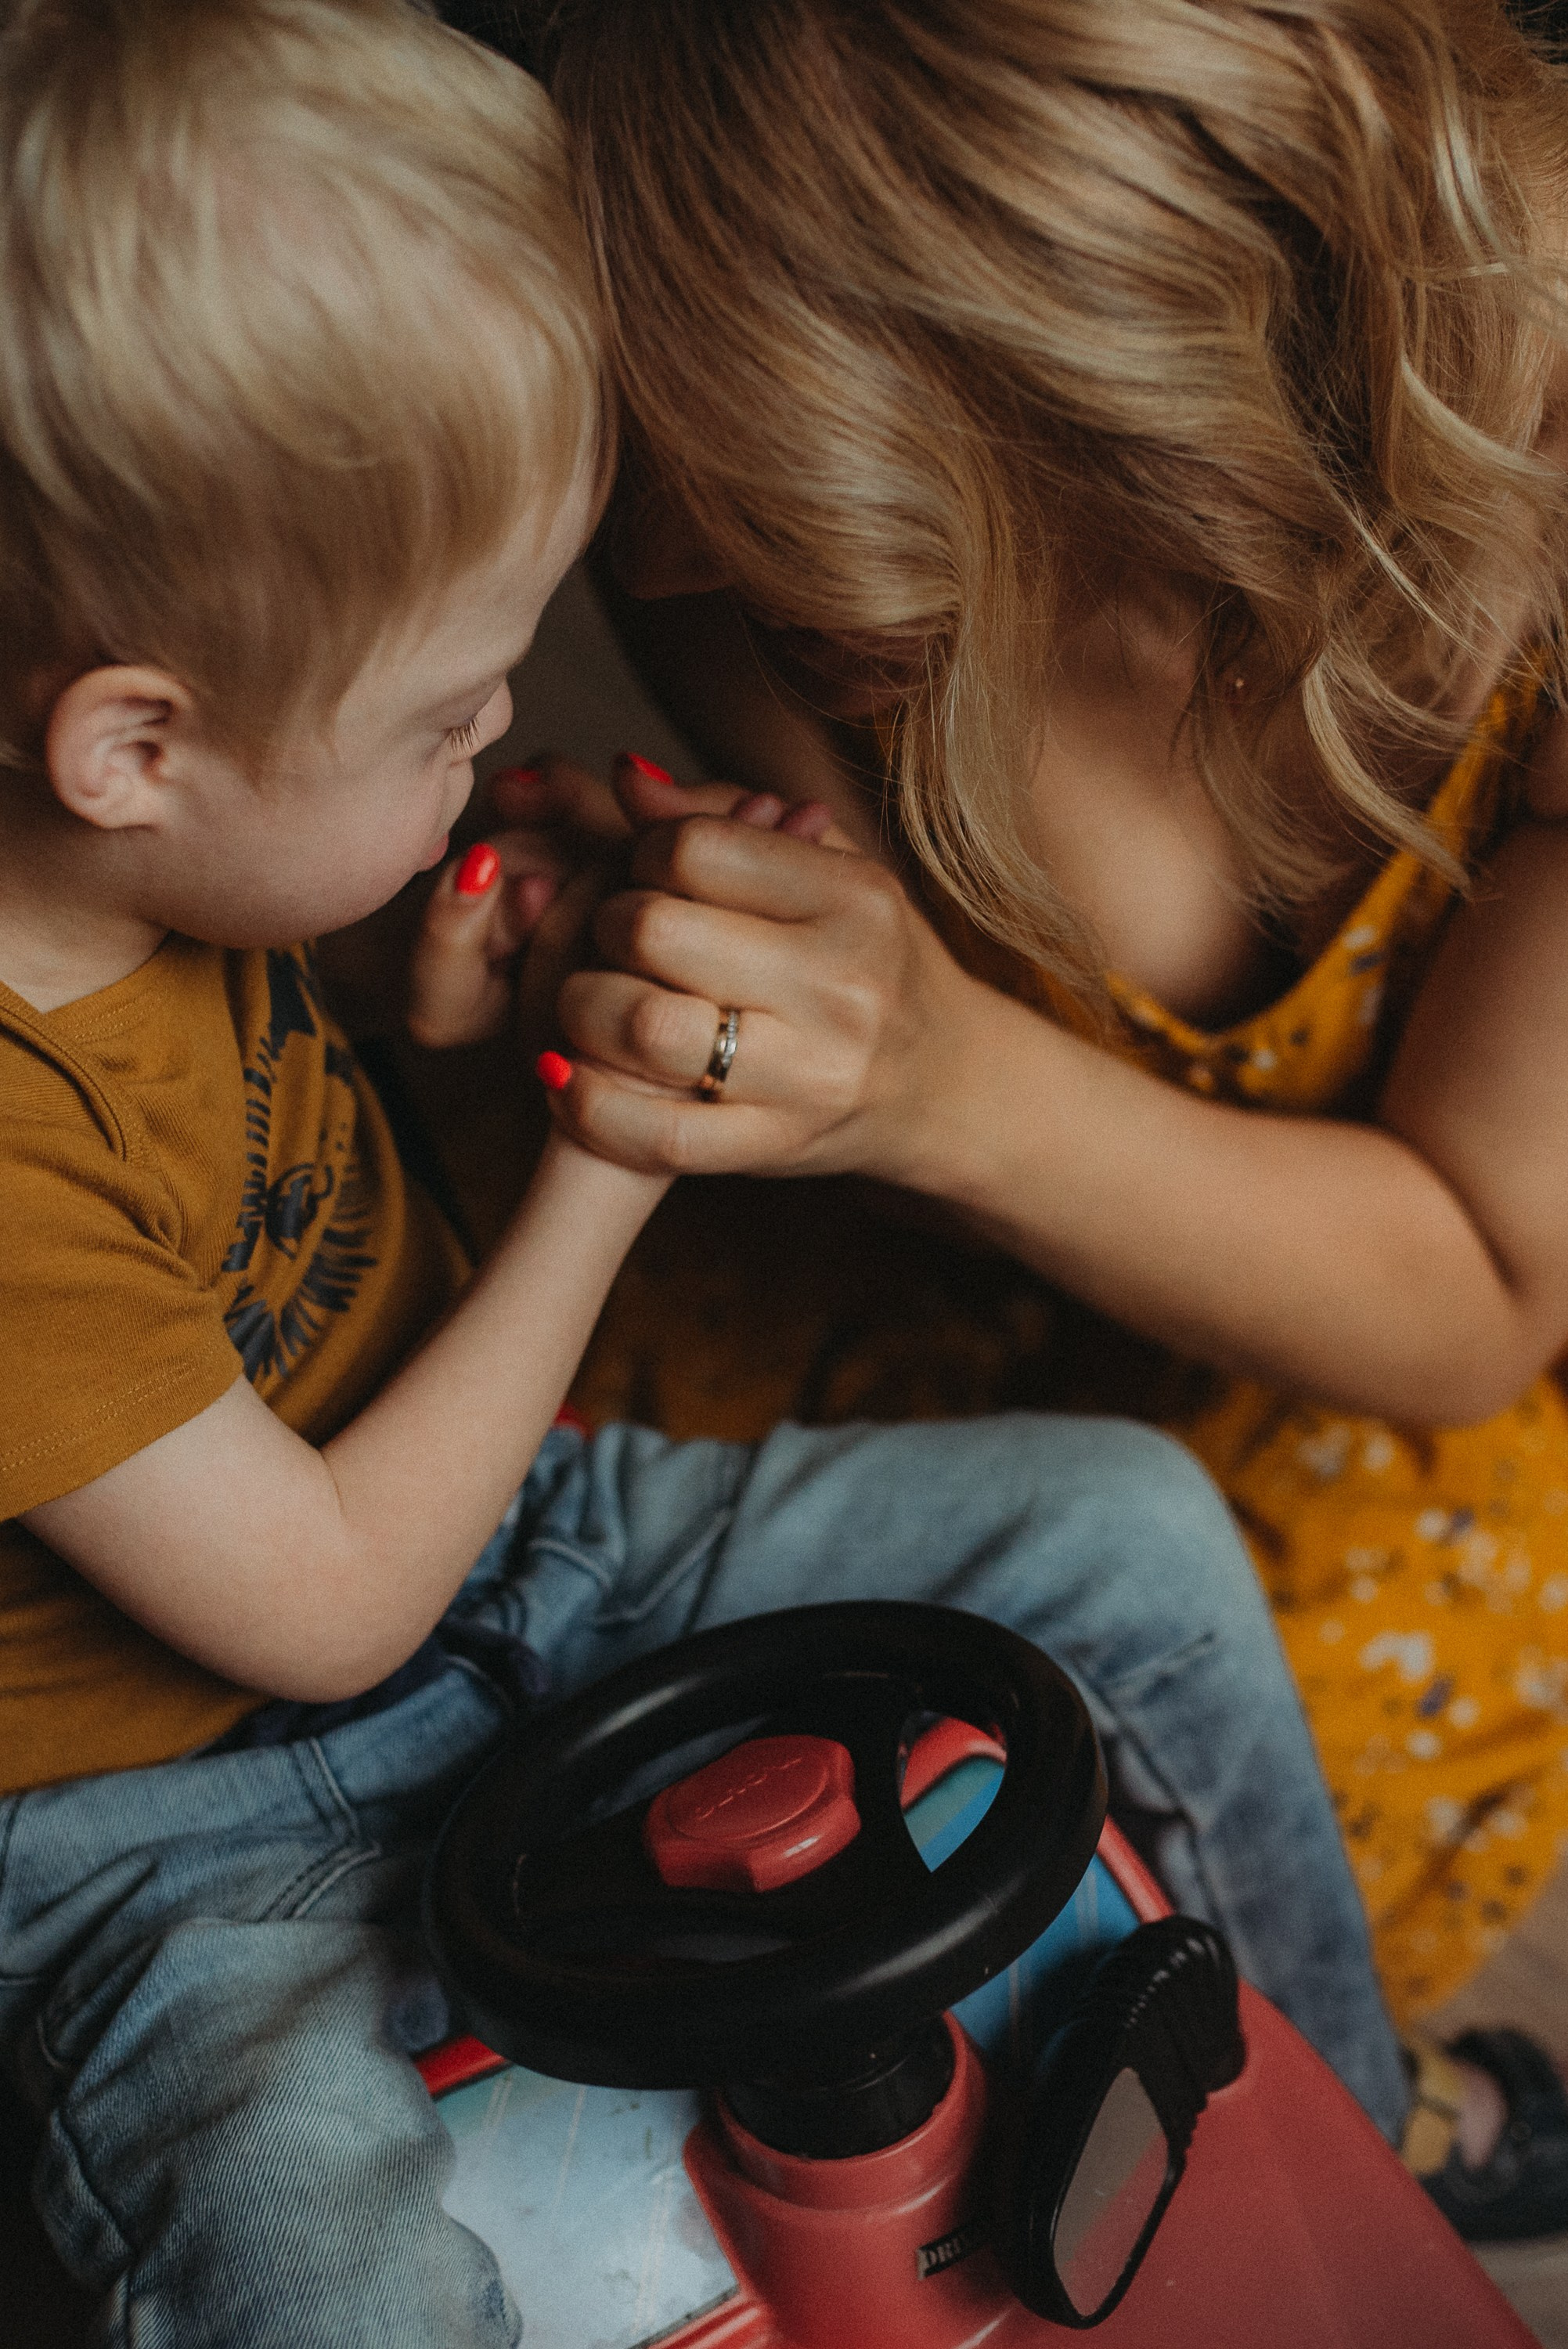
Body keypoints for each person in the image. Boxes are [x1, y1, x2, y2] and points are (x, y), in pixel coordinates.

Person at [0, 3, 1407, 2342]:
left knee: (1127, 1531)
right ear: (132, 745)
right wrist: (603, 1161)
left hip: (528, 1549)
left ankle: (1332, 2164)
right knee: (301, 2259)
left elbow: (241, 1062)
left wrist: (436, 973)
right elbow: (328, 1606)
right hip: (170, 1832)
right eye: (447, 710)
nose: (499, 732)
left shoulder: (137, 864)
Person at [431, 0, 1568, 2245]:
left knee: (1186, 1839)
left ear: (1100, 377)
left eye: (745, 490)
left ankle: (1372, 2125)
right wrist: (680, 949)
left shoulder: (1525, 560)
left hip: (1364, 1338)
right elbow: (853, 964)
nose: (654, 571)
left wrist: (936, 1078)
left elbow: (1475, 1303)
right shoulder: (733, 543)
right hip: (932, 1251)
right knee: (627, 1728)